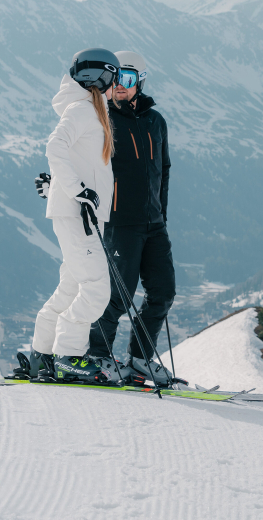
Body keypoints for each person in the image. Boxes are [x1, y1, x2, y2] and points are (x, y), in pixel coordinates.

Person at [17, 48, 118, 383]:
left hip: (79, 213)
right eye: (112, 75)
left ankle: (41, 357)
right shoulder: (82, 110)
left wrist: (65, 186)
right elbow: (54, 146)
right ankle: (69, 358)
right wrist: (77, 191)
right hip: (78, 214)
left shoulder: (88, 110)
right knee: (96, 288)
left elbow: (74, 157)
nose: (114, 83)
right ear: (99, 76)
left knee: (72, 286)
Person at [84, 50, 177, 385]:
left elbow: (163, 172)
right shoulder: (102, 120)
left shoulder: (156, 122)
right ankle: (96, 358)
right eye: (114, 80)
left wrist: (161, 216)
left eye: (127, 79)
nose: (119, 87)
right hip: (120, 224)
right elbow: (84, 164)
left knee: (164, 293)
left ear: (139, 81)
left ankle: (139, 357)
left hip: (154, 225)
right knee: (116, 297)